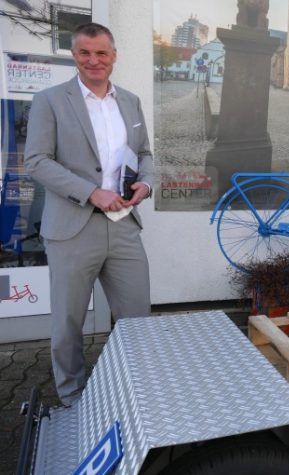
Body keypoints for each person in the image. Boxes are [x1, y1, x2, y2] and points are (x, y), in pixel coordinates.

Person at [25, 23, 154, 406]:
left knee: (137, 317)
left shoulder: (129, 101)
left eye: (101, 53)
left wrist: (146, 184)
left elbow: (145, 153)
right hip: (72, 228)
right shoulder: (50, 100)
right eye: (85, 53)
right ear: (74, 56)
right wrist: (90, 192)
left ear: (114, 56)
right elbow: (36, 161)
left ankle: (134, 390)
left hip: (123, 226)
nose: (94, 61)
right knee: (68, 323)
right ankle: (72, 396)